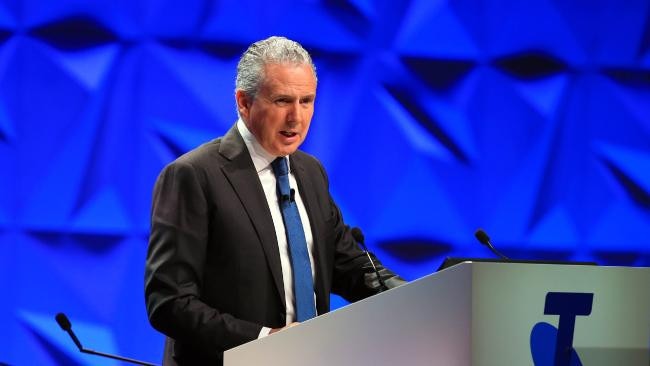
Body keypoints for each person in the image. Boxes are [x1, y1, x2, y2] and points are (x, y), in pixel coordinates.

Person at [144, 36, 404, 366]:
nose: (297, 117)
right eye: (283, 101)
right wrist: (263, 341)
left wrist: (418, 296)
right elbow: (168, 301)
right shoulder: (194, 176)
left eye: (306, 101)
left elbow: (349, 265)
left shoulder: (311, 173)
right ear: (243, 102)